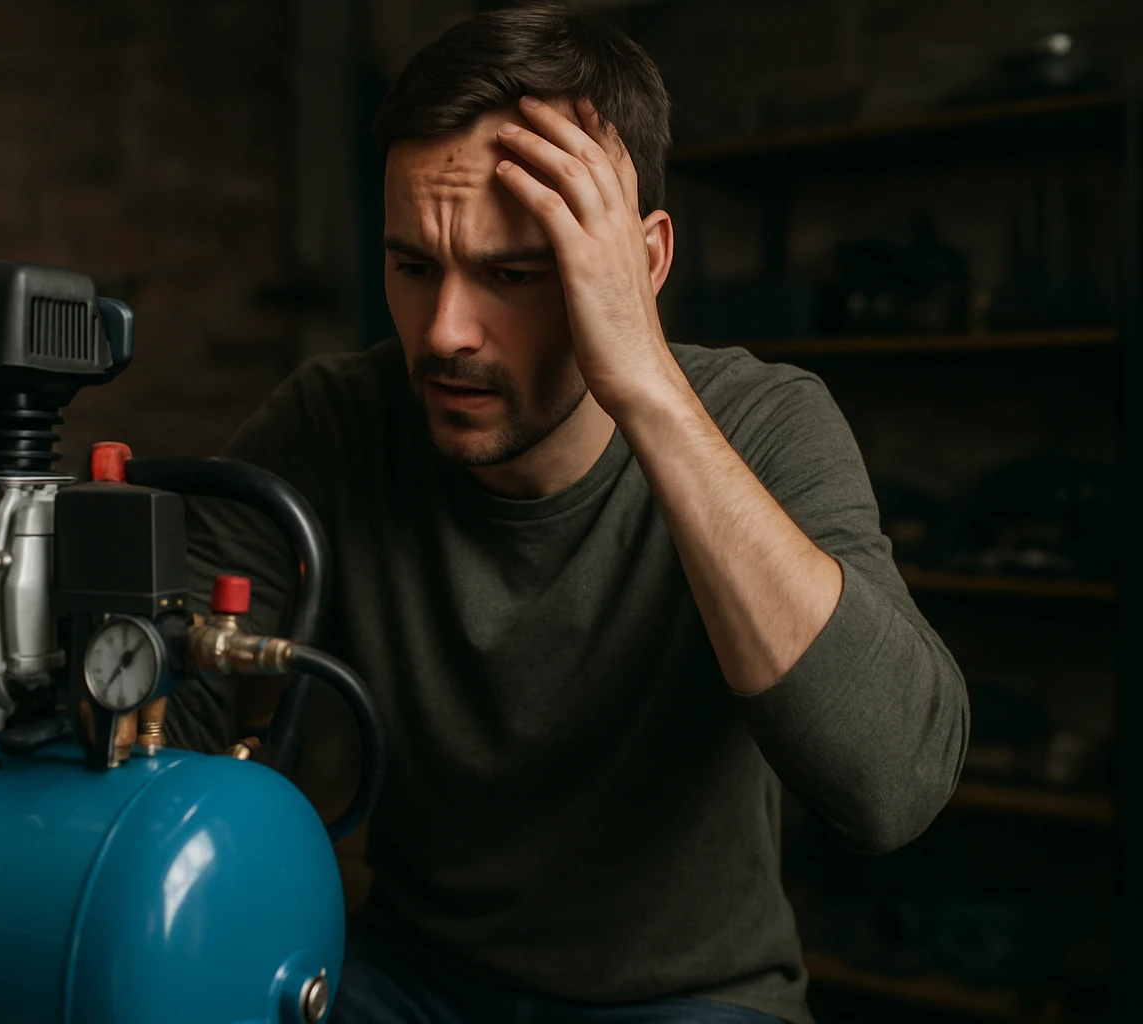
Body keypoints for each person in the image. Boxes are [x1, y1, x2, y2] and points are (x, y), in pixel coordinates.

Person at [165, 5, 968, 1023]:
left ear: (643, 262)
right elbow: (163, 712)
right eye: (414, 266)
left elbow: (893, 785)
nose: (446, 332)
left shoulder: (765, 422)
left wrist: (641, 381)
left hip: (690, 999)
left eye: (515, 275)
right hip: (408, 977)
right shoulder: (335, 421)